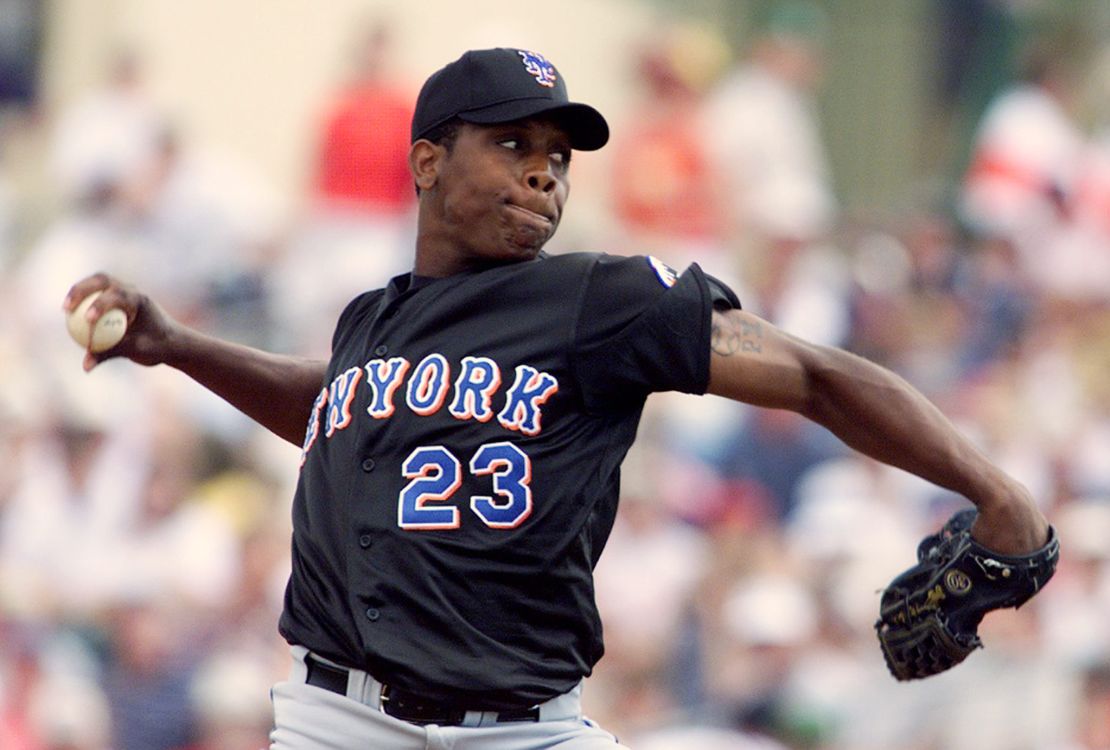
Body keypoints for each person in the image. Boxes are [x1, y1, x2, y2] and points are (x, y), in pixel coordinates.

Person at [64, 47, 1051, 750]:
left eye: (560, 153)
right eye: (512, 142)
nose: (545, 169)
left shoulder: (598, 299)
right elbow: (334, 413)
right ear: (426, 162)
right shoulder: (373, 320)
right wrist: (176, 345)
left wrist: (999, 495)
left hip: (524, 729)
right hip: (337, 721)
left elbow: (818, 375)